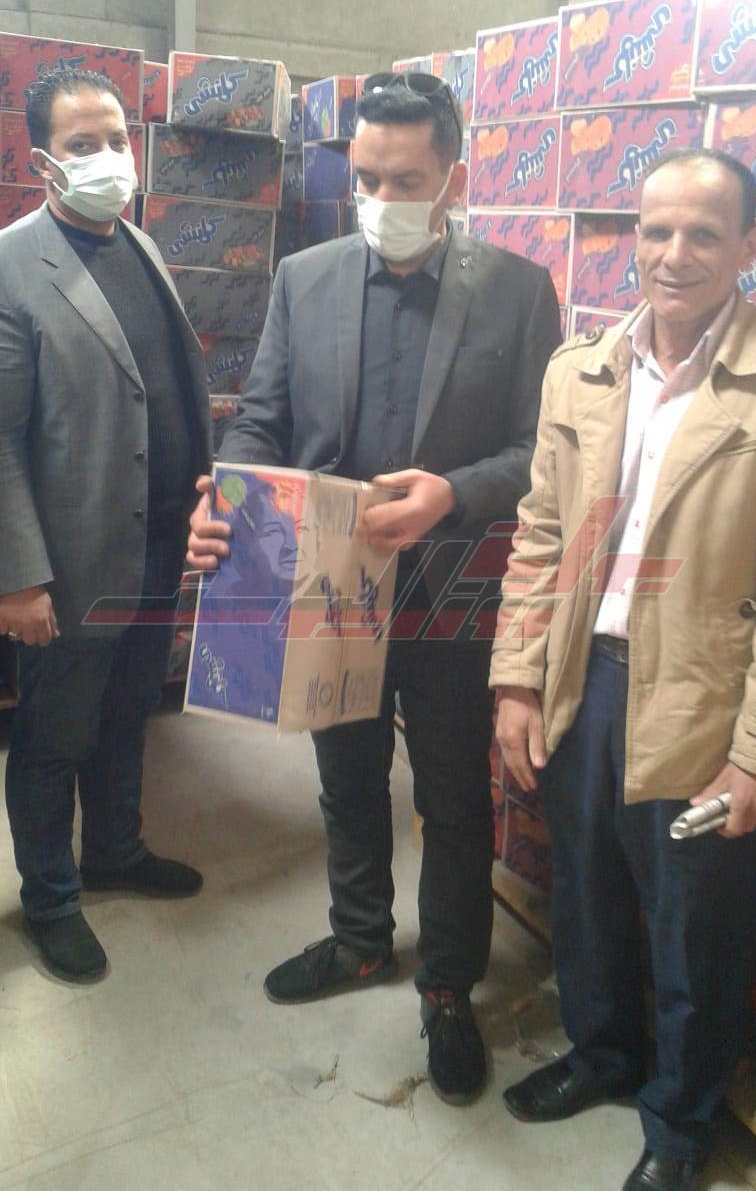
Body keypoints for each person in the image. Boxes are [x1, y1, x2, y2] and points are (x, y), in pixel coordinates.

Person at [188, 73, 561, 1105]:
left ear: (455, 180)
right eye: (367, 178)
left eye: (406, 179)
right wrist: (225, 498)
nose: (383, 197)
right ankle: (358, 938)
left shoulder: (518, 290)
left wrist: (454, 493)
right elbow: (260, 418)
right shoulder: (305, 279)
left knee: (452, 797)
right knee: (348, 779)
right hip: (329, 592)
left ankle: (448, 983)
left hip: (453, 596)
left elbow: (542, 448)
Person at [492, 148, 756, 1191]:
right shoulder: (584, 370)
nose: (674, 254)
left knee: (696, 926)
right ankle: (603, 1052)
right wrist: (518, 679)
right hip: (583, 680)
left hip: (707, 699)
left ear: (749, 245)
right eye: (656, 230)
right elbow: (540, 530)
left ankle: (681, 1126)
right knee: (588, 892)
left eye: (704, 233)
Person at [0, 68, 211, 981]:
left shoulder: (140, 245)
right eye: (82, 145)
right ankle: (51, 897)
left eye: (117, 140)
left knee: (128, 713)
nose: (108, 159)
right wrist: (17, 577)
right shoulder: (14, 264)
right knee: (55, 735)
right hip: (69, 561)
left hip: (157, 541)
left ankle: (116, 851)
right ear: (42, 161)